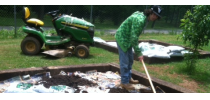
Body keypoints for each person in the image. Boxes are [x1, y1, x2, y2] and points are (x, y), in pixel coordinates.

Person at [115, 5, 162, 90]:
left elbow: (133, 35)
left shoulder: (143, 17)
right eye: (154, 14)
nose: (155, 17)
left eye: (157, 16)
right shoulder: (140, 20)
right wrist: (139, 53)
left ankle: (128, 78)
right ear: (150, 12)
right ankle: (124, 82)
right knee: (125, 62)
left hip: (127, 39)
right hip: (122, 38)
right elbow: (134, 38)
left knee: (130, 60)